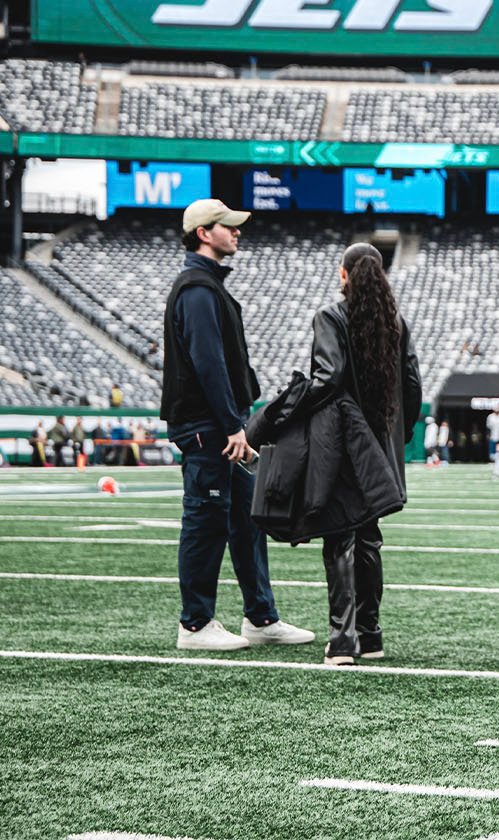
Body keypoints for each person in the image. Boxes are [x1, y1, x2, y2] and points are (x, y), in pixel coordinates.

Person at [161, 198, 312, 651]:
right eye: (228, 226)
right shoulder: (198, 290)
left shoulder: (208, 286)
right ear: (204, 233)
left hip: (223, 423)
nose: (237, 232)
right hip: (209, 426)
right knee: (205, 521)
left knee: (249, 520)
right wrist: (232, 425)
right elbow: (209, 365)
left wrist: (237, 423)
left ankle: (260, 617)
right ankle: (194, 625)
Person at [301, 243, 421, 664]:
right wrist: (395, 437)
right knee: (369, 539)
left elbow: (327, 378)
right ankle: (370, 635)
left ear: (344, 274)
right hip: (381, 447)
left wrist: (291, 408)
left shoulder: (331, 317)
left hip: (344, 445)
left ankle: (343, 638)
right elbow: (412, 387)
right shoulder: (396, 322)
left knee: (339, 538)